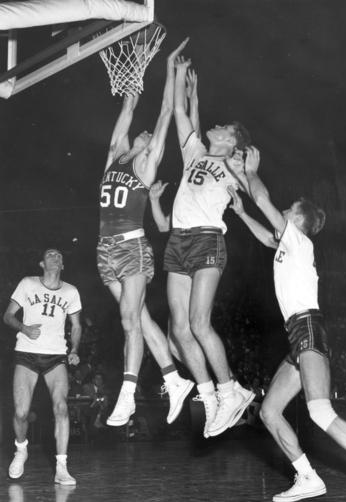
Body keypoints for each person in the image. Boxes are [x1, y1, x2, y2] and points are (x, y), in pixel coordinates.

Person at [228, 146, 346, 502]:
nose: (283, 213)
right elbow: (264, 235)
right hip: (297, 333)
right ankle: (307, 477)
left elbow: (263, 197)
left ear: (298, 221)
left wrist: (250, 172)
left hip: (307, 328)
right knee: (271, 411)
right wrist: (242, 213)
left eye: (288, 211)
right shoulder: (289, 246)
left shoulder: (300, 241)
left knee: (320, 410)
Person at [97, 39, 194, 429]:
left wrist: (170, 70)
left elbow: (167, 111)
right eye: (137, 135)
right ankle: (174, 379)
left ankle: (127, 395)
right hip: (104, 250)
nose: (141, 134)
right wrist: (133, 74)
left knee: (127, 319)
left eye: (146, 136)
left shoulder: (148, 163)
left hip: (132, 247)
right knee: (141, 320)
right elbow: (129, 105)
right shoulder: (114, 155)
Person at [161, 53, 255, 439]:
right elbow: (180, 114)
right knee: (179, 330)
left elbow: (253, 192)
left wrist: (247, 177)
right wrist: (179, 73)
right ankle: (209, 395)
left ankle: (231, 390)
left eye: (225, 128)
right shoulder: (194, 152)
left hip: (206, 239)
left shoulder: (234, 166)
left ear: (233, 141)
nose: (216, 126)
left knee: (200, 323)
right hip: (178, 240)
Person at [3, 248, 82, 485]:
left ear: (63, 264)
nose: (55, 257)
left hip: (56, 355)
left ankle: (61, 467)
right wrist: (24, 328)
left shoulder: (71, 291)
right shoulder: (28, 283)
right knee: (21, 412)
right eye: (50, 255)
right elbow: (7, 316)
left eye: (59, 255)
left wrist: (75, 349)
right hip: (26, 352)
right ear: (41, 263)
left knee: (61, 408)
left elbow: (76, 326)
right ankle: (21, 449)